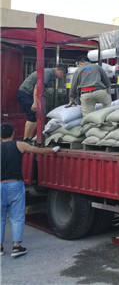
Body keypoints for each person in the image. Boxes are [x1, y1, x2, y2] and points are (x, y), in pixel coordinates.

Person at [1, 123, 60, 257]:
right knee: (17, 217)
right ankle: (17, 247)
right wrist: (53, 150)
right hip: (15, 185)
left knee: (0, 218)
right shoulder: (19, 145)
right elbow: (40, 151)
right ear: (13, 134)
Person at [17, 65, 67, 144]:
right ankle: (25, 139)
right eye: (62, 75)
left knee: (35, 117)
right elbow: (37, 88)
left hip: (29, 94)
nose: (60, 77)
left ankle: (29, 138)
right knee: (31, 116)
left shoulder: (49, 74)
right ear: (60, 72)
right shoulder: (48, 73)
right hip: (26, 94)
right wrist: (35, 102)